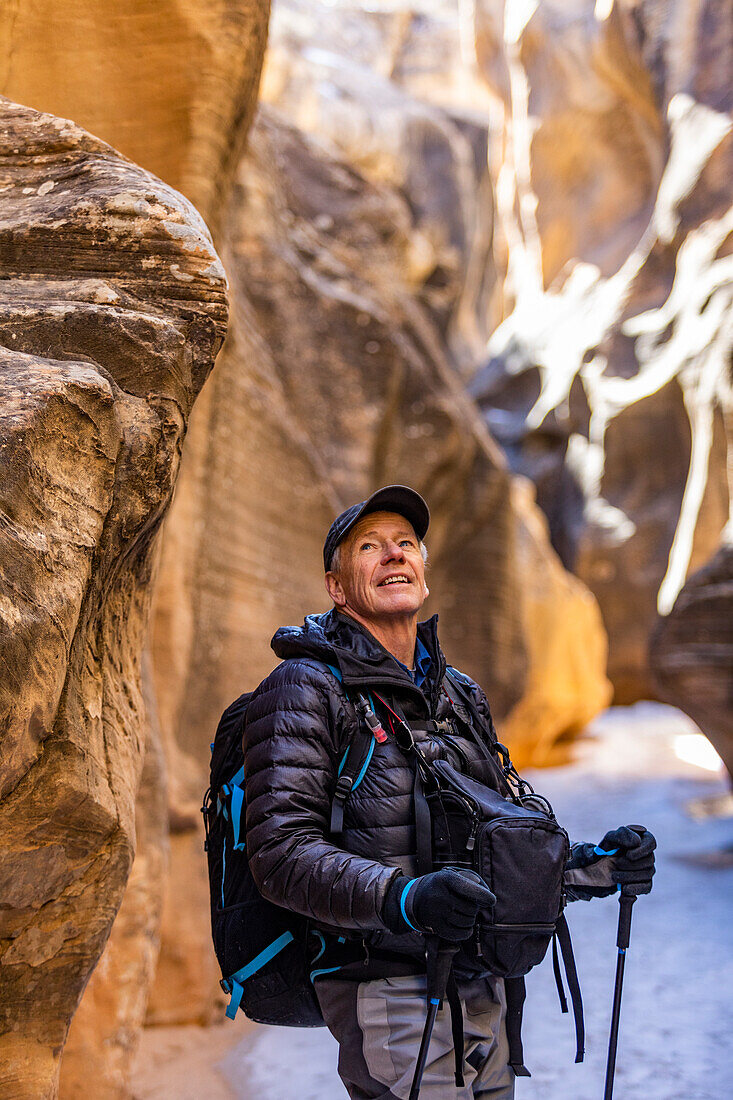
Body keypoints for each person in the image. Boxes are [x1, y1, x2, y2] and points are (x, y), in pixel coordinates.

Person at [243, 485, 656, 1099]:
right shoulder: (303, 688)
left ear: (425, 574)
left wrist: (598, 868)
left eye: (406, 544)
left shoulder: (458, 695)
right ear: (336, 586)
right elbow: (279, 853)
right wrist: (406, 898)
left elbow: (497, 850)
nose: (393, 556)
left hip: (480, 986)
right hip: (385, 990)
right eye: (370, 547)